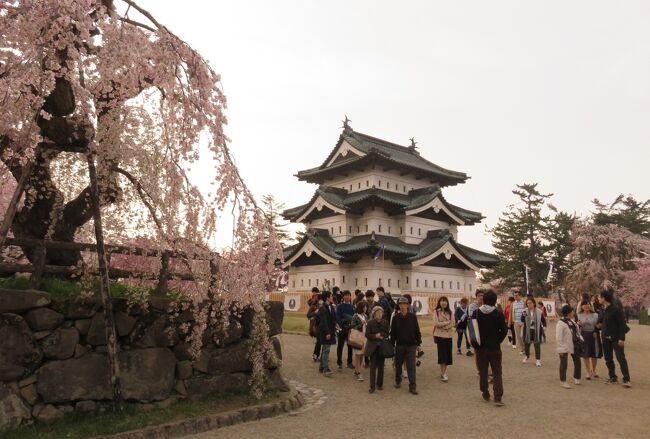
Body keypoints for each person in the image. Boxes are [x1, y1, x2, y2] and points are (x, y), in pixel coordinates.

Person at [472, 289, 508, 407]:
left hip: (480, 347)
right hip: (494, 347)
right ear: (494, 301)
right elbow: (504, 330)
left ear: (484, 300)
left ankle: (485, 393)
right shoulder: (498, 313)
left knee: (483, 371)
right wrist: (498, 340)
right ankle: (498, 397)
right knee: (497, 372)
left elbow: (472, 329)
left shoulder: (476, 313)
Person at [599, 290, 631, 387]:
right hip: (605, 338)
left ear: (604, 298)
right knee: (608, 358)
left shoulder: (616, 309)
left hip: (616, 338)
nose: (598, 299)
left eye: (600, 297)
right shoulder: (604, 309)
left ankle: (626, 379)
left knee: (620, 358)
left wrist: (622, 338)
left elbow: (622, 325)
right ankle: (612, 377)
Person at [391, 297, 422, 394]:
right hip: (399, 345)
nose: (402, 306)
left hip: (411, 345)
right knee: (398, 364)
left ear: (408, 305)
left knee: (411, 366)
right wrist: (392, 345)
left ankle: (412, 386)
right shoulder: (396, 318)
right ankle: (398, 381)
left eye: (404, 304)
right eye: (401, 304)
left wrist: (418, 344)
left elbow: (417, 331)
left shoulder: (412, 317)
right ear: (399, 305)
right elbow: (393, 333)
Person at [556, 304, 582, 388]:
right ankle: (562, 381)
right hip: (565, 345)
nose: (573, 312)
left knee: (577, 361)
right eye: (572, 311)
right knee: (564, 363)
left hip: (574, 344)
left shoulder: (572, 321)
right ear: (568, 312)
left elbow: (576, 331)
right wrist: (560, 349)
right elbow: (558, 337)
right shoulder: (561, 323)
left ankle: (577, 377)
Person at [365, 306, 390, 393]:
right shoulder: (370, 323)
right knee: (372, 367)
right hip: (372, 347)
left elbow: (387, 333)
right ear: (374, 314)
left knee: (381, 366)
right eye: (378, 313)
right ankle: (372, 387)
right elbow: (367, 334)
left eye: (381, 313)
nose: (379, 314)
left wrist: (382, 335)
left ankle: (380, 384)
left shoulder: (385, 322)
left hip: (382, 347)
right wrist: (375, 336)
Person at [577, 300, 601, 380]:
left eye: (588, 304)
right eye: (584, 304)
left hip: (594, 336)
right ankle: (588, 372)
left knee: (594, 355)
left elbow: (599, 325)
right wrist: (578, 325)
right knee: (585, 354)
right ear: (581, 306)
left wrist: (596, 331)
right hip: (584, 335)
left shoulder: (596, 315)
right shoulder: (579, 315)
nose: (586, 306)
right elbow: (576, 327)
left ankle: (593, 370)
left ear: (590, 306)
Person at [433, 296, 455, 382]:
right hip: (440, 336)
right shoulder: (436, 312)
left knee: (448, 355)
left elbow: (453, 322)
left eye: (445, 301)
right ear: (439, 302)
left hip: (448, 335)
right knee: (442, 355)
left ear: (447, 302)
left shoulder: (450, 312)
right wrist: (447, 322)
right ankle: (443, 373)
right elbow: (436, 323)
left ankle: (444, 372)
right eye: (442, 301)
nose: (443, 303)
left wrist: (446, 326)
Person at [317, 291, 337, 376]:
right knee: (326, 350)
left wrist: (337, 325)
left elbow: (333, 319)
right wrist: (327, 332)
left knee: (325, 349)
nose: (332, 297)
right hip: (325, 331)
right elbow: (323, 321)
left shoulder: (331, 307)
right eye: (331, 296)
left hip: (331, 331)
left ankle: (322, 367)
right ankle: (326, 368)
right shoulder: (322, 308)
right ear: (327, 298)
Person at [521, 297, 545, 367]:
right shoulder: (525, 311)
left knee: (537, 345)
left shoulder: (539, 311)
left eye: (530, 303)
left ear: (534, 303)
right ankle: (526, 356)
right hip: (528, 330)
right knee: (527, 344)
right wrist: (523, 314)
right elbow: (522, 320)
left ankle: (538, 360)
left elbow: (543, 320)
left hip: (536, 330)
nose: (528, 304)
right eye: (527, 303)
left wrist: (545, 326)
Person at [336, 290, 355, 370]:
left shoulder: (352, 307)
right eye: (346, 295)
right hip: (342, 329)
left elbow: (354, 318)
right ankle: (339, 362)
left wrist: (350, 325)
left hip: (350, 329)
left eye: (349, 295)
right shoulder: (340, 306)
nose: (347, 296)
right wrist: (342, 324)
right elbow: (338, 317)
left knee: (350, 346)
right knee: (340, 346)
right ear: (343, 296)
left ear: (350, 297)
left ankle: (349, 362)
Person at [350, 301, 368, 381]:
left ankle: (357, 370)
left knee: (362, 355)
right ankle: (359, 372)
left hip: (364, 337)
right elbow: (353, 327)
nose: (366, 308)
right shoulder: (355, 316)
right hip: (357, 337)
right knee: (357, 355)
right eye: (364, 307)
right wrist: (361, 324)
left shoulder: (366, 316)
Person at [306, 289, 322, 362]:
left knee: (321, 342)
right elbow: (308, 315)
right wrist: (315, 313)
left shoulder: (323, 306)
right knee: (319, 342)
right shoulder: (313, 306)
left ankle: (320, 355)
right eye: (316, 297)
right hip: (316, 326)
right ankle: (315, 355)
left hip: (322, 326)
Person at [512, 291, 525, 355]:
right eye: (514, 295)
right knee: (518, 337)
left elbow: (525, 311)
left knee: (522, 336)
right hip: (516, 322)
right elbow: (513, 312)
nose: (515, 296)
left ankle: (525, 348)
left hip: (523, 322)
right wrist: (513, 320)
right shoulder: (513, 303)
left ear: (520, 296)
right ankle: (522, 349)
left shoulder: (524, 302)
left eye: (516, 295)